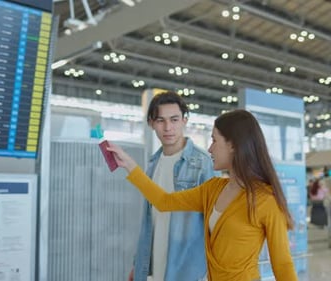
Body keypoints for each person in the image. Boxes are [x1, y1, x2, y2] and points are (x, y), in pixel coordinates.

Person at [108, 109, 297, 281]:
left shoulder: (265, 200)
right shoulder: (212, 189)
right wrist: (130, 166)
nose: (210, 148)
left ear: (233, 145)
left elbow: (282, 265)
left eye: (214, 140)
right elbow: (164, 202)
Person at [128, 91, 214, 281]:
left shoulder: (203, 163)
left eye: (174, 120)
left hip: (189, 270)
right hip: (156, 269)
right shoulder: (152, 163)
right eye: (161, 121)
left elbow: (213, 225)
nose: (168, 128)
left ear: (184, 121)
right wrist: (139, 263)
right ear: (151, 123)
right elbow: (149, 221)